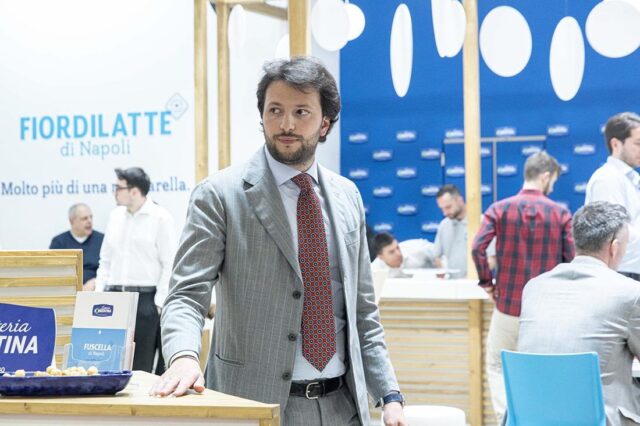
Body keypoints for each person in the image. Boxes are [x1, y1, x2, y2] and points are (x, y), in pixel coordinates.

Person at [150, 57, 406, 426]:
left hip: (343, 406)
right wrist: (183, 356)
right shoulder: (220, 195)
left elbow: (363, 312)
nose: (286, 124)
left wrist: (390, 395)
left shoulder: (347, 196)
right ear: (262, 116)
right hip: (255, 405)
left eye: (301, 112)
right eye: (275, 110)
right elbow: (187, 295)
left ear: (325, 122)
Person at [471, 151, 575, 424]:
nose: (553, 186)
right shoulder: (561, 214)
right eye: (553, 180)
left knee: (497, 366)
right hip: (546, 313)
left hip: (508, 308)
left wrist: (487, 283)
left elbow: (477, 247)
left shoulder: (499, 209)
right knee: (543, 373)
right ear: (545, 176)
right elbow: (572, 260)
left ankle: (508, 420)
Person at [518, 202, 640, 425]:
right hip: (597, 419)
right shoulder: (630, 293)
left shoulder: (534, 288)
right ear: (614, 248)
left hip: (532, 417)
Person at [95, 167, 177, 374]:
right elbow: (105, 259)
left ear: (134, 191)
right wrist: (99, 293)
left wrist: (158, 303)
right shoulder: (115, 216)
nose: (115, 192)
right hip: (113, 297)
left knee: (141, 367)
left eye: (118, 188)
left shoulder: (160, 217)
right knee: (109, 362)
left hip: (145, 300)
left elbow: (169, 263)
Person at [586, 112, 640, 281]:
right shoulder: (607, 178)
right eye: (638, 143)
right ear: (616, 144)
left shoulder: (629, 179)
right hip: (621, 272)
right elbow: (615, 232)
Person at [433, 184, 495, 278]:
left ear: (460, 200)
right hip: (452, 284)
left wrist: (471, 279)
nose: (445, 213)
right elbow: (437, 256)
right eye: (442, 209)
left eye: (448, 207)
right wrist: (441, 274)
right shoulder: (444, 225)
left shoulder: (483, 223)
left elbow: (491, 260)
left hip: (476, 283)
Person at [49, 203, 104, 290]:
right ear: (72, 221)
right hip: (67, 289)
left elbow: (109, 269)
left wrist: (97, 282)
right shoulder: (59, 242)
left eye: (91, 217)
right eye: (84, 218)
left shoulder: (102, 240)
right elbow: (53, 272)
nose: (89, 221)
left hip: (96, 290)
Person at [371, 232, 436, 278]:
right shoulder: (373, 271)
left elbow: (439, 253)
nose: (398, 253)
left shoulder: (418, 248)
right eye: (392, 252)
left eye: (397, 247)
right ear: (381, 257)